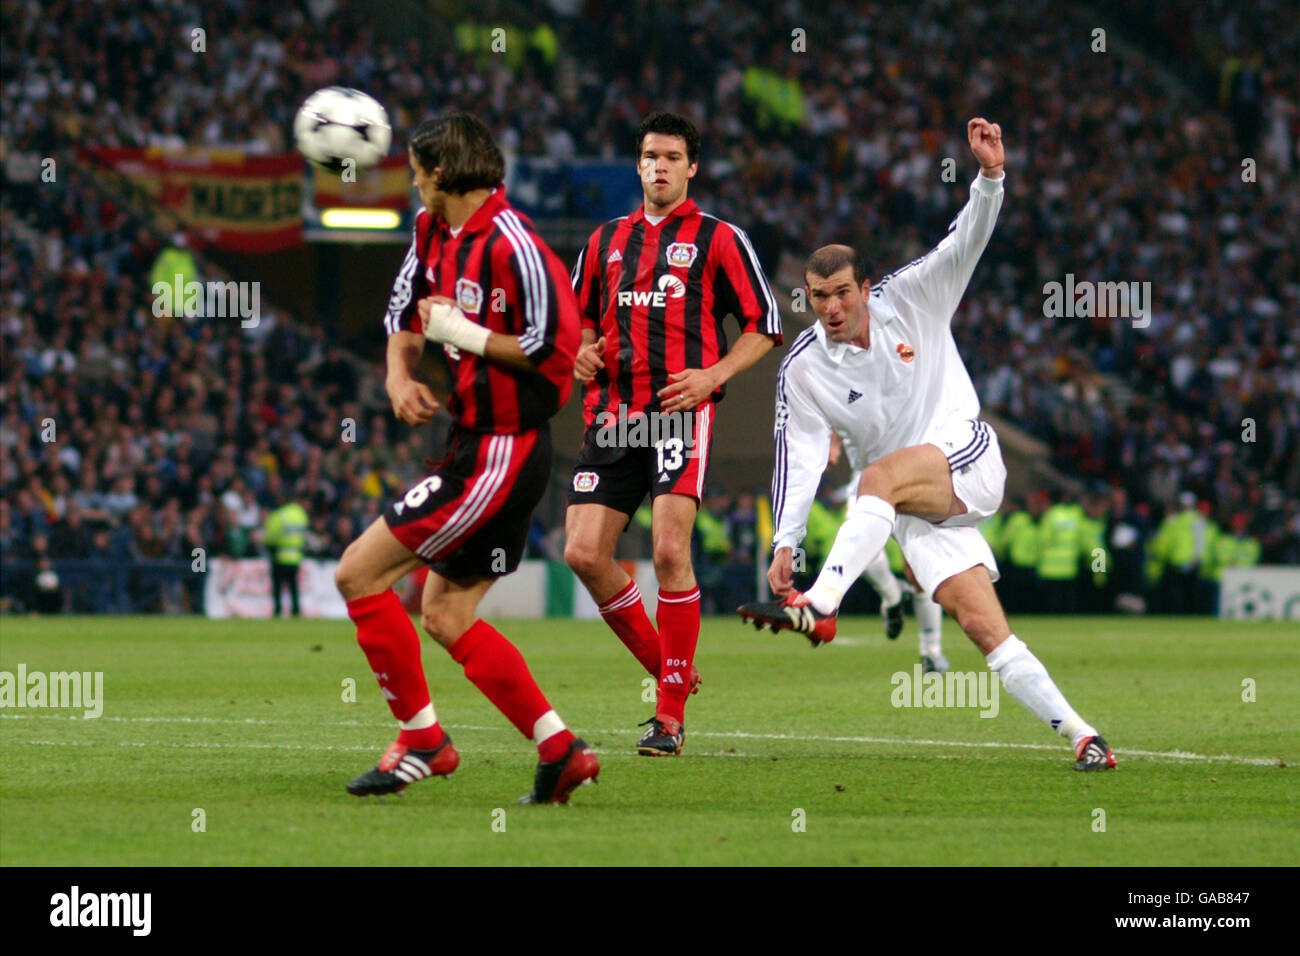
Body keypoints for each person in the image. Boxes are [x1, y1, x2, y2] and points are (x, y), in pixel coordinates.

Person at [738, 118, 1116, 771]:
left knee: (873, 477)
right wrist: (785, 544)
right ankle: (1085, 737)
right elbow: (798, 456)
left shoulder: (911, 298)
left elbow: (963, 243)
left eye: (842, 293)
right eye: (819, 296)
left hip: (966, 456)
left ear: (863, 287)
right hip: (913, 507)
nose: (831, 307)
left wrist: (991, 179)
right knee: (985, 631)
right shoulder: (801, 367)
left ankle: (823, 607)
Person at [334, 111, 597, 804]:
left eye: (418, 171)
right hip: (473, 444)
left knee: (358, 576)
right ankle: (560, 750)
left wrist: (467, 335)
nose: (413, 182)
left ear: (442, 172)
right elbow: (404, 314)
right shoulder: (431, 233)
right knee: (446, 615)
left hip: (502, 453)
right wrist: (399, 376)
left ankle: (423, 741)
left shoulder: (517, 247)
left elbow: (555, 355)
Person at [563, 111, 782, 756]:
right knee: (582, 553)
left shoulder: (719, 238)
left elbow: (763, 323)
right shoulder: (605, 241)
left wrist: (713, 373)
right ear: (638, 165)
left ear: (692, 168)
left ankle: (669, 716)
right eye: (650, 155)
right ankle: (673, 674)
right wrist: (580, 351)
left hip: (680, 414)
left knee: (666, 552)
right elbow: (577, 319)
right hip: (612, 416)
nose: (659, 165)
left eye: (672, 156)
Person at [263, 494, 308, 617]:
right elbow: (304, 534)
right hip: (296, 556)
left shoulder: (279, 515)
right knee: (293, 586)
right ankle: (296, 610)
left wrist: (268, 545)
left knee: (277, 587)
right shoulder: (300, 513)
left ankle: (278, 610)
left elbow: (270, 537)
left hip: (280, 556)